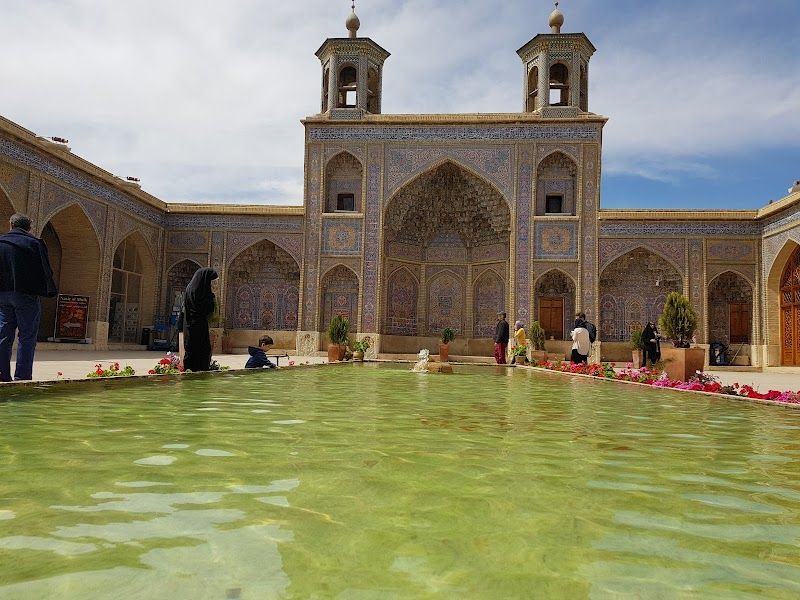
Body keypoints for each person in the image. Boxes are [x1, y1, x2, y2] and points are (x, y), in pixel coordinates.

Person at [0, 213, 58, 382]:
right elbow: (45, 271)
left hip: (3, 296)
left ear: (11, 224)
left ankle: (2, 375)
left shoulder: (1, 242)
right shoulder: (34, 243)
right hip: (26, 296)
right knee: (27, 337)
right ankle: (22, 376)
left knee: (4, 335)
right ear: (29, 228)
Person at [182, 267, 218, 372]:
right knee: (201, 351)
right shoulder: (201, 292)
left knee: (192, 351)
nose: (214, 284)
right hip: (198, 326)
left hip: (190, 325)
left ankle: (190, 374)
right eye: (212, 281)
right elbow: (208, 309)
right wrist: (212, 297)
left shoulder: (191, 288)